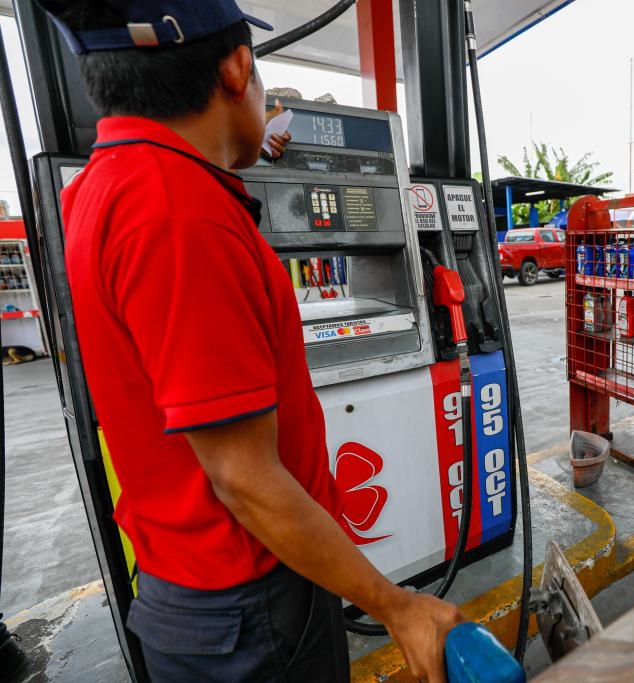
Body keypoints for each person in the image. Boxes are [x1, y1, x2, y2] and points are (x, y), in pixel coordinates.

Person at [41, 2, 462, 681]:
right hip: (250, 611)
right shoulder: (181, 215)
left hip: (193, 592)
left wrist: (242, 142)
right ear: (238, 69)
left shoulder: (104, 186)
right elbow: (245, 477)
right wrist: (398, 606)